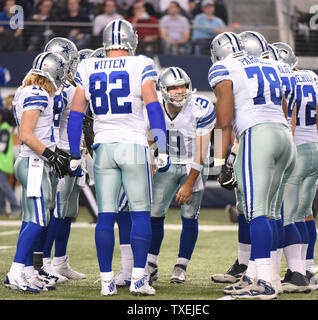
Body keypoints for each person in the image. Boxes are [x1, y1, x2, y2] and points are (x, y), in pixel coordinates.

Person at [67, 19, 169, 296]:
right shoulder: (140, 64)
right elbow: (153, 106)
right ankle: (138, 279)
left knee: (105, 217)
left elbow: (76, 114)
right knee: (140, 214)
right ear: (130, 40)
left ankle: (106, 282)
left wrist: (75, 153)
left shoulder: (88, 66)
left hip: (103, 148)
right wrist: (164, 146)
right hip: (133, 145)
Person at [209, 31, 295, 299]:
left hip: (257, 136)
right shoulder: (274, 64)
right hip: (284, 137)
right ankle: (263, 276)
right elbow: (283, 106)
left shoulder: (224, 67)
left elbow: (223, 120)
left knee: (256, 212)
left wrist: (220, 163)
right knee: (272, 213)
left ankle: (265, 283)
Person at [3, 51, 70, 292]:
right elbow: (26, 135)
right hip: (33, 162)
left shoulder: (26, 90)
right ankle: (16, 271)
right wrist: (52, 155)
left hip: (35, 161)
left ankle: (28, 271)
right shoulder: (37, 93)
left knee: (34, 218)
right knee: (38, 219)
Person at [146, 66, 215, 284]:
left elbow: (201, 151)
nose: (180, 91)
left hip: (192, 165)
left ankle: (181, 265)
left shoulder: (200, 107)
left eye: (183, 86)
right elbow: (148, 140)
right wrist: (151, 163)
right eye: (174, 87)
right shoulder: (154, 105)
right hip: (166, 163)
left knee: (189, 215)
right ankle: (150, 262)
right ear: (164, 89)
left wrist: (189, 182)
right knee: (154, 214)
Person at [272, 42, 318, 292]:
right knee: (305, 214)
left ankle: (296, 275)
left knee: (287, 216)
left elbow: (290, 121)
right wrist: (317, 153)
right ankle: (307, 270)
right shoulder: (310, 77)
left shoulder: (283, 82)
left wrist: (287, 156)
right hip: (315, 149)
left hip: (295, 150)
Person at [35, 37, 86, 282]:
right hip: (57, 153)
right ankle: (44, 262)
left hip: (71, 151)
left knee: (68, 210)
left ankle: (60, 261)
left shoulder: (70, 88)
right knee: (52, 209)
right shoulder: (46, 89)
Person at [0, 108, 21, 217]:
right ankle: (1, 209)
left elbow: (2, 147)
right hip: (2, 162)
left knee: (5, 186)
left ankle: (16, 207)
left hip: (2, 163)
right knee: (2, 186)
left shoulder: (4, 129)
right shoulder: (3, 128)